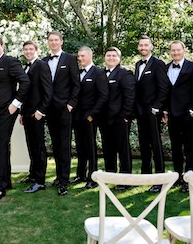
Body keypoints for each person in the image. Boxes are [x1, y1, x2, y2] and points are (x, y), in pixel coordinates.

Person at [0, 35, 30, 201]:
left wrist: (15, 104)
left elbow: (25, 82)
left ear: (2, 46)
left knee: (1, 147)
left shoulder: (11, 62)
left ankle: (0, 187)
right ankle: (6, 180)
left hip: (5, 111)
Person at [42, 31, 80, 196]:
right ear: (48, 42)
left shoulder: (70, 59)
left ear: (61, 41)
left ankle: (64, 181)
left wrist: (71, 104)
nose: (53, 42)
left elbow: (76, 84)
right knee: (55, 144)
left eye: (56, 40)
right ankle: (58, 176)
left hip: (64, 108)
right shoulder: (43, 61)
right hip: (48, 109)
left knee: (64, 145)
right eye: (51, 40)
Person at [165, 40, 193, 193]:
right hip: (172, 115)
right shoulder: (166, 67)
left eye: (178, 50)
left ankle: (188, 179)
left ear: (184, 50)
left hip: (187, 115)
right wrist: (165, 111)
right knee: (175, 147)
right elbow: (166, 92)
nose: (175, 53)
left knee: (189, 147)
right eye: (173, 50)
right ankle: (177, 177)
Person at [134, 36, 168, 192]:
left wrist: (157, 108)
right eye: (141, 45)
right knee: (144, 145)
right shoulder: (137, 65)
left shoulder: (158, 64)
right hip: (141, 112)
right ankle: (145, 175)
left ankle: (159, 179)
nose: (143, 47)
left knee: (156, 145)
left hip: (152, 112)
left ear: (151, 47)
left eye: (146, 45)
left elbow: (163, 88)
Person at [71, 46, 108, 190]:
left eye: (82, 56)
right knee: (80, 146)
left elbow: (103, 96)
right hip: (77, 116)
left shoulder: (98, 73)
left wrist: (92, 114)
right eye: (78, 56)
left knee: (91, 147)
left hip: (90, 117)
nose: (79, 59)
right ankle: (80, 174)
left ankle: (92, 177)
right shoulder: (76, 73)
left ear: (89, 56)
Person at [99, 47, 135, 189]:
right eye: (108, 55)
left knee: (123, 149)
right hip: (104, 118)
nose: (111, 58)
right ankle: (110, 174)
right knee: (108, 148)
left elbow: (130, 96)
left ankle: (125, 180)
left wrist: (126, 115)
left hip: (120, 118)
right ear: (105, 57)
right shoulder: (101, 73)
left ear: (119, 58)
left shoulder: (125, 74)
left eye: (114, 55)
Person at [20, 40, 53, 193]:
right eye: (26, 49)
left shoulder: (41, 65)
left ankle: (40, 181)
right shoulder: (27, 67)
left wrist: (41, 111)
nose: (28, 52)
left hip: (37, 113)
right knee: (31, 145)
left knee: (39, 147)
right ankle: (33, 174)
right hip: (27, 113)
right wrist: (22, 113)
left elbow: (48, 91)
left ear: (37, 50)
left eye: (31, 49)